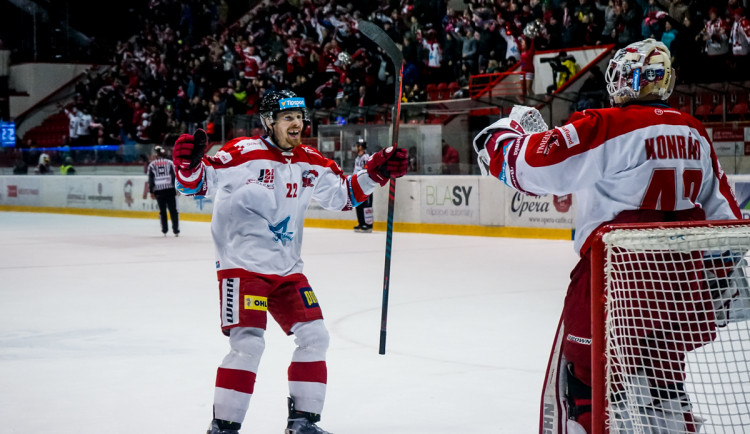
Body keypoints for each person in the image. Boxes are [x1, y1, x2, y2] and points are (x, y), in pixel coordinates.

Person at [473, 39, 741, 434]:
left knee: (586, 384)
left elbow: (535, 167)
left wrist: (500, 139)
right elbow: (727, 218)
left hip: (616, 280)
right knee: (665, 384)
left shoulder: (608, 123)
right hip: (682, 285)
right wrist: (717, 282)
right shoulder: (695, 131)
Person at [172, 90, 408, 434]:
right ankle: (223, 428)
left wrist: (377, 172)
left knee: (316, 336)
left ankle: (302, 423)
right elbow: (197, 185)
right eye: (287, 117)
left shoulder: (311, 160)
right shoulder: (241, 154)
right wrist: (188, 165)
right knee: (249, 343)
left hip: (287, 270)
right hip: (243, 267)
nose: (297, 123)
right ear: (269, 122)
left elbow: (342, 196)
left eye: (299, 116)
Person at [147, 146, 179, 237]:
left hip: (159, 190)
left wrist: (151, 191)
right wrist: (177, 188)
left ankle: (164, 230)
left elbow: (151, 179)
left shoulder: (152, 165)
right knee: (173, 210)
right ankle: (176, 230)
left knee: (162, 211)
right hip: (170, 189)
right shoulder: (170, 163)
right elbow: (174, 176)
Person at [352, 138, 373, 232]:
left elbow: (367, 172)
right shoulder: (357, 158)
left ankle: (368, 224)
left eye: (357, 146)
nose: (355, 147)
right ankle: (361, 223)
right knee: (358, 204)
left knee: (366, 205)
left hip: (366, 185)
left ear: (361, 147)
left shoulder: (366, 157)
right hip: (358, 185)